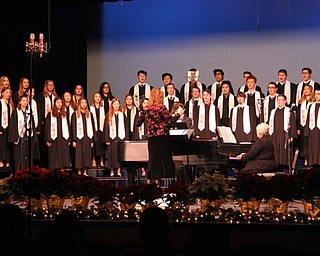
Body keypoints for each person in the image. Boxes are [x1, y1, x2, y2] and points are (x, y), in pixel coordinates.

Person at [137, 88, 180, 185]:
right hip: (162, 138)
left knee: (153, 159)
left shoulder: (147, 108)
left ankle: (152, 181)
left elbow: (138, 122)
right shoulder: (161, 107)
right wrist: (178, 114)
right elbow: (171, 120)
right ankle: (164, 183)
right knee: (164, 160)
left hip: (152, 138)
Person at [8, 95, 38, 171]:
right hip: (19, 137)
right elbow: (13, 126)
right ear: (20, 102)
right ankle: (18, 173)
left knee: (28, 156)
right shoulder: (15, 112)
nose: (25, 102)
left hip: (28, 136)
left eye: (26, 100)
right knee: (19, 156)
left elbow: (33, 125)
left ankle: (27, 172)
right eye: (23, 100)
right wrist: (14, 138)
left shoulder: (29, 112)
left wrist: (34, 137)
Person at [269, 94, 297, 172]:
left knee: (285, 150)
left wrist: (291, 136)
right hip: (275, 134)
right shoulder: (273, 111)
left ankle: (286, 167)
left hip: (285, 134)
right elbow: (270, 123)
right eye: (278, 100)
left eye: (281, 100)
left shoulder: (289, 111)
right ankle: (277, 167)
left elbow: (293, 124)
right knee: (276, 150)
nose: (279, 101)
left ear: (285, 101)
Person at [45, 97, 71, 171]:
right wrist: (47, 139)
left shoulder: (65, 114)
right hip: (54, 138)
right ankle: (53, 171)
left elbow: (68, 127)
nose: (59, 104)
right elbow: (47, 127)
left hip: (63, 137)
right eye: (57, 102)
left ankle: (62, 169)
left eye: (60, 102)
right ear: (54, 103)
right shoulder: (50, 114)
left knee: (63, 154)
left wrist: (69, 139)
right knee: (54, 155)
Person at [71, 98, 95, 176]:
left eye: (85, 102)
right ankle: (79, 171)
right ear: (79, 104)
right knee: (79, 154)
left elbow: (93, 127)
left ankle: (85, 171)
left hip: (87, 137)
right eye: (82, 102)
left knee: (86, 154)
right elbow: (73, 127)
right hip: (78, 137)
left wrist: (92, 140)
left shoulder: (90, 114)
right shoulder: (75, 114)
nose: (84, 104)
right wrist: (74, 140)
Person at [37, 79, 58, 168]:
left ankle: (53, 163)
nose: (50, 86)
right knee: (45, 142)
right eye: (49, 85)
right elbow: (40, 109)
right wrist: (41, 120)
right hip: (44, 121)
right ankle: (44, 164)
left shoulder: (55, 96)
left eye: (52, 85)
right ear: (46, 86)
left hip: (53, 121)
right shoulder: (42, 95)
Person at [105, 98, 127, 177]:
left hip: (120, 137)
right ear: (112, 105)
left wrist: (125, 139)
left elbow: (126, 127)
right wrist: (107, 139)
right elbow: (106, 128)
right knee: (112, 154)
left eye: (118, 104)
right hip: (111, 138)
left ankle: (118, 170)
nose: (116, 106)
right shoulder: (108, 115)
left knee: (119, 154)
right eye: (115, 104)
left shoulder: (122, 115)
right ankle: (111, 170)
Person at [297, 85, 314, 166]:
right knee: (303, 143)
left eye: (307, 89)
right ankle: (305, 159)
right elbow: (298, 115)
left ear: (311, 90)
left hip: (311, 125)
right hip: (303, 125)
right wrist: (298, 127)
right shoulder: (301, 102)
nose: (306, 90)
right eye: (304, 89)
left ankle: (312, 159)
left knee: (311, 142)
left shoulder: (313, 102)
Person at [304, 89, 320, 167]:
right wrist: (307, 131)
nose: (317, 96)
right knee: (313, 146)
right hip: (313, 129)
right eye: (316, 94)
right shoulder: (311, 106)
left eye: (319, 94)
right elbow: (308, 119)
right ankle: (313, 162)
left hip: (319, 129)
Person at [90, 92, 106, 168]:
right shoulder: (91, 108)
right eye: (96, 96)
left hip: (101, 129)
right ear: (94, 98)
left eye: (99, 96)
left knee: (101, 146)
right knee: (94, 146)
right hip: (94, 129)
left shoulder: (103, 108)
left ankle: (101, 161)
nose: (98, 98)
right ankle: (93, 161)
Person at [0, 87, 14, 168]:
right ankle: (1, 160)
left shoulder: (10, 104)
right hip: (2, 127)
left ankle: (7, 161)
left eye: (9, 92)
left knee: (8, 145)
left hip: (9, 127)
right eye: (6, 92)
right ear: (2, 93)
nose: (8, 94)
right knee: (1, 144)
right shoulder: (0, 102)